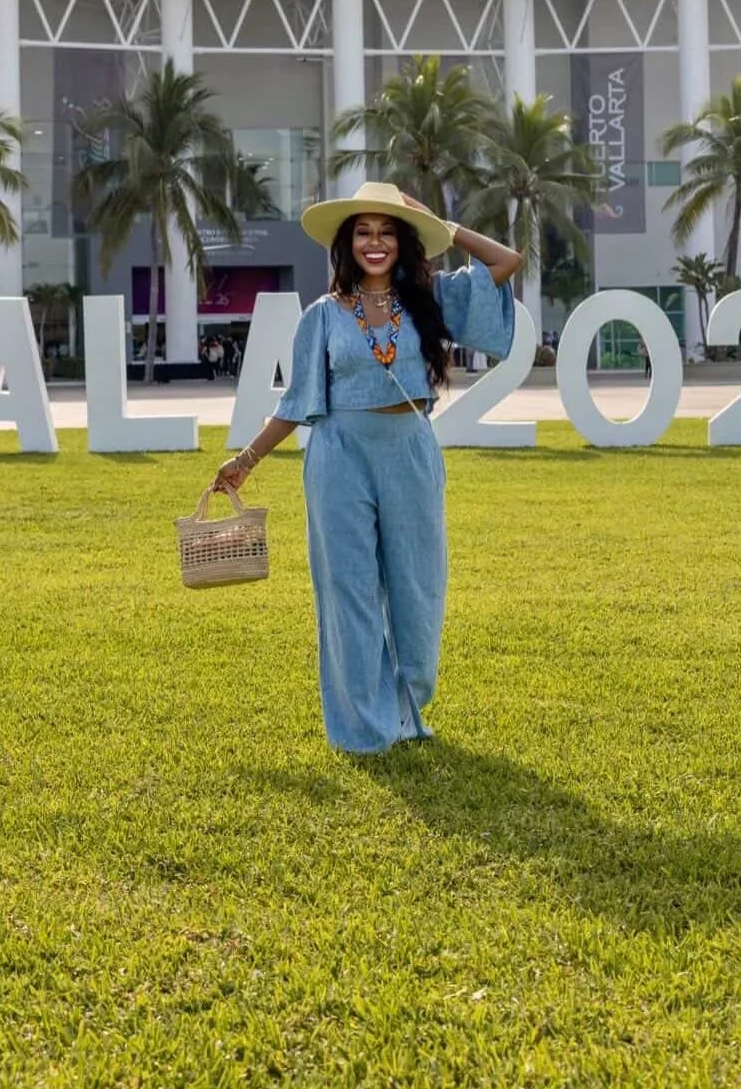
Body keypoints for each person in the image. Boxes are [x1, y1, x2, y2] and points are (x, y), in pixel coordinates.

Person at [214, 181, 522, 755]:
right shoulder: (322, 317)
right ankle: (363, 727)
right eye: (363, 232)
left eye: (387, 232)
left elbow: (507, 261)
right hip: (339, 455)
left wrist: (445, 228)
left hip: (408, 451)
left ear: (404, 242)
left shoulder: (431, 301)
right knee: (348, 591)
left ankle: (407, 707)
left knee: (417, 588)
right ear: (346, 243)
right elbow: (296, 402)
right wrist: (245, 460)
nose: (374, 243)